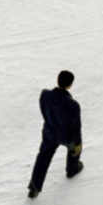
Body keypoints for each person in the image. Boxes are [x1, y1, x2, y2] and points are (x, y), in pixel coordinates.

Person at [27, 70, 83, 198]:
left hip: (49, 133)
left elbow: (43, 111)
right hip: (66, 136)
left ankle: (34, 187)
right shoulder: (73, 105)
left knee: (43, 157)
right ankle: (72, 169)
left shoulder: (44, 95)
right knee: (75, 148)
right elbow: (76, 128)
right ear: (70, 85)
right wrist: (77, 144)